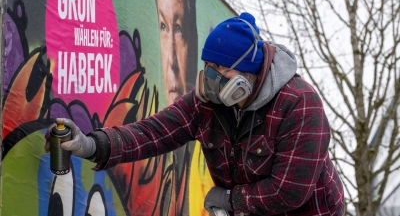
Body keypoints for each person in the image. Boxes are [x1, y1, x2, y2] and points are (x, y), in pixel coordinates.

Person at [45, 12, 345, 215]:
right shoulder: (207, 104)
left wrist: (229, 199)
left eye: (220, 69)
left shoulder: (300, 104)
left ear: (249, 69)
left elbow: (289, 192)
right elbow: (153, 132)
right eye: (208, 68)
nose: (211, 78)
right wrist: (93, 144)